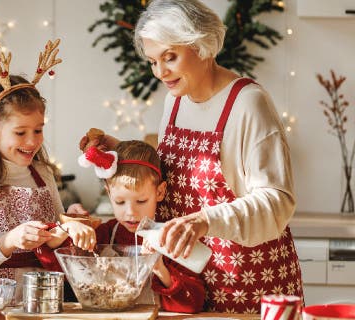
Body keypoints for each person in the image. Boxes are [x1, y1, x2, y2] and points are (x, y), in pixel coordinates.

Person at [78, 0, 303, 313]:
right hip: (183, 284)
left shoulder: (248, 103)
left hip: (244, 282)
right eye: (153, 61)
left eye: (170, 57)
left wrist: (204, 221)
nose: (160, 72)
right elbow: (174, 175)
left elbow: (277, 200)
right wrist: (122, 151)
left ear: (202, 46)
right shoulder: (176, 100)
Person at [0, 40, 96, 298]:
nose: (32, 141)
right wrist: (9, 241)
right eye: (20, 132)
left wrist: (71, 220)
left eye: (38, 130)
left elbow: (57, 235)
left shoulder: (44, 174)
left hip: (42, 301)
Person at [78, 139, 205, 313]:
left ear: (159, 192)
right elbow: (64, 270)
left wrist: (160, 269)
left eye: (141, 201)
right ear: (109, 193)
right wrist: (71, 226)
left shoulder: (170, 238)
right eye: (120, 202)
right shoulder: (104, 234)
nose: (130, 212)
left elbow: (194, 303)